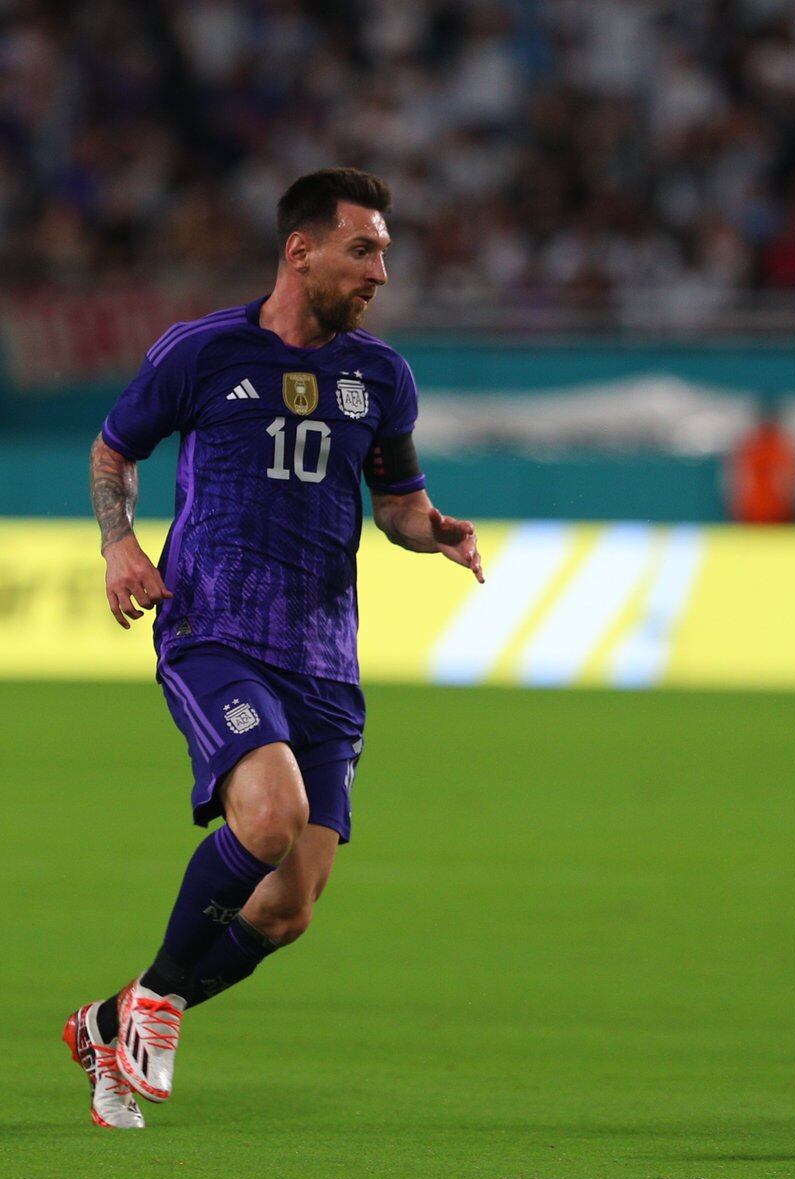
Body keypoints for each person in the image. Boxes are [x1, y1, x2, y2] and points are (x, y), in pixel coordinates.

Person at [62, 169, 484, 1129]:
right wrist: (119, 544)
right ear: (302, 250)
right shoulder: (204, 351)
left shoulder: (379, 376)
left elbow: (399, 506)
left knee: (289, 907)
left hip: (326, 658)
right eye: (363, 249)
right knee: (272, 810)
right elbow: (113, 448)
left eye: (383, 252)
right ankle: (158, 1010)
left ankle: (109, 1019)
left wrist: (436, 532)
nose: (381, 270)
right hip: (215, 627)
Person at [724, 400, 795, 525]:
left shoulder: (786, 447)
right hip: (752, 516)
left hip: (783, 518)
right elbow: (737, 481)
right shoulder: (749, 447)